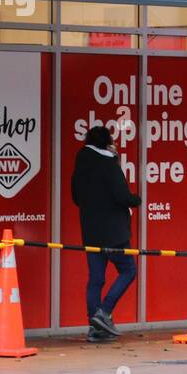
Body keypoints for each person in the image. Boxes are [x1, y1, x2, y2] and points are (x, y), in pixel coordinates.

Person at [70, 125, 140, 343]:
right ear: (107, 142)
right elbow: (122, 196)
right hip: (114, 232)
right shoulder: (109, 164)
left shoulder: (81, 162)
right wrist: (135, 200)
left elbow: (76, 197)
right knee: (128, 270)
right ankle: (104, 312)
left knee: (96, 279)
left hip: (90, 231)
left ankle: (94, 326)